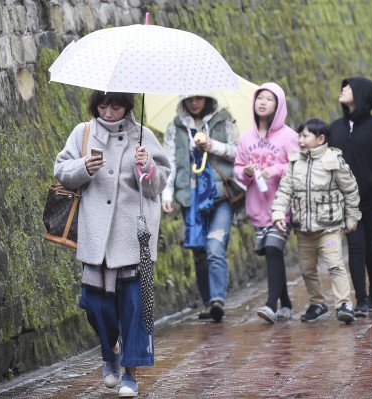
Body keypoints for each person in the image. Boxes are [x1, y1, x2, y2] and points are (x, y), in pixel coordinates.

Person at [54, 91, 171, 397]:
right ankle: (111, 353)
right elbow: (61, 170)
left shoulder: (144, 136)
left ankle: (130, 374)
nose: (108, 111)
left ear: (127, 106)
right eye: (103, 105)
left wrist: (147, 168)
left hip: (133, 236)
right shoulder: (84, 132)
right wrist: (84, 168)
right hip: (97, 236)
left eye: (115, 105)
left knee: (134, 307)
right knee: (95, 305)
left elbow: (157, 185)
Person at [271, 117, 361, 324]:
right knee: (307, 269)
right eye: (299, 135)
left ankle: (344, 304)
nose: (300, 140)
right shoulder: (294, 163)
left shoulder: (333, 161)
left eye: (305, 135)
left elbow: (350, 190)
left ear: (320, 139)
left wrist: (352, 217)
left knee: (334, 265)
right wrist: (277, 213)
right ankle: (317, 302)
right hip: (303, 229)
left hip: (328, 229)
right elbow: (285, 190)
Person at [161, 94, 239, 322]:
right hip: (190, 197)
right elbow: (170, 162)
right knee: (199, 251)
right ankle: (208, 303)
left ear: (207, 98)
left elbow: (238, 152)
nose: (194, 103)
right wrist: (167, 192)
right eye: (189, 99)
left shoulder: (224, 121)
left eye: (198, 98)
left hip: (220, 196)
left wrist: (212, 146)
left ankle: (217, 300)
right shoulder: (176, 127)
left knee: (215, 246)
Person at [327, 77, 372, 317]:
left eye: (347, 87)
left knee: (369, 247)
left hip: (370, 199)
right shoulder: (334, 128)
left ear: (361, 94)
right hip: (345, 202)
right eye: (342, 85)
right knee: (355, 246)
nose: (342, 89)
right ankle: (362, 298)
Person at [233, 82, 299, 324]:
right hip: (257, 206)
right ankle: (286, 303)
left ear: (278, 105)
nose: (262, 102)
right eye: (259, 98)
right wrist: (247, 172)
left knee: (273, 248)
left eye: (269, 99)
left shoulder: (289, 136)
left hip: (282, 206)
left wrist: (275, 169)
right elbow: (238, 169)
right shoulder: (245, 137)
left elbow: (296, 165)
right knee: (272, 254)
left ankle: (271, 306)